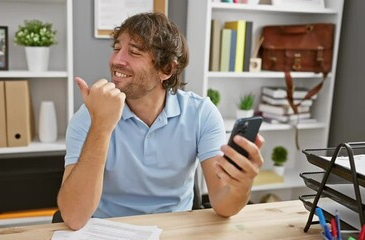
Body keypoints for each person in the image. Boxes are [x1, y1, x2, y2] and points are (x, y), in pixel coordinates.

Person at [57, 12, 265, 230]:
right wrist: (101, 126)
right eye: (117, 49)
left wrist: (242, 186)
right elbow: (73, 216)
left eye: (134, 52)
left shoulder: (201, 113)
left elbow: (224, 206)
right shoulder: (89, 114)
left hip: (174, 230)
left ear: (167, 69)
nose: (116, 60)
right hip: (108, 230)